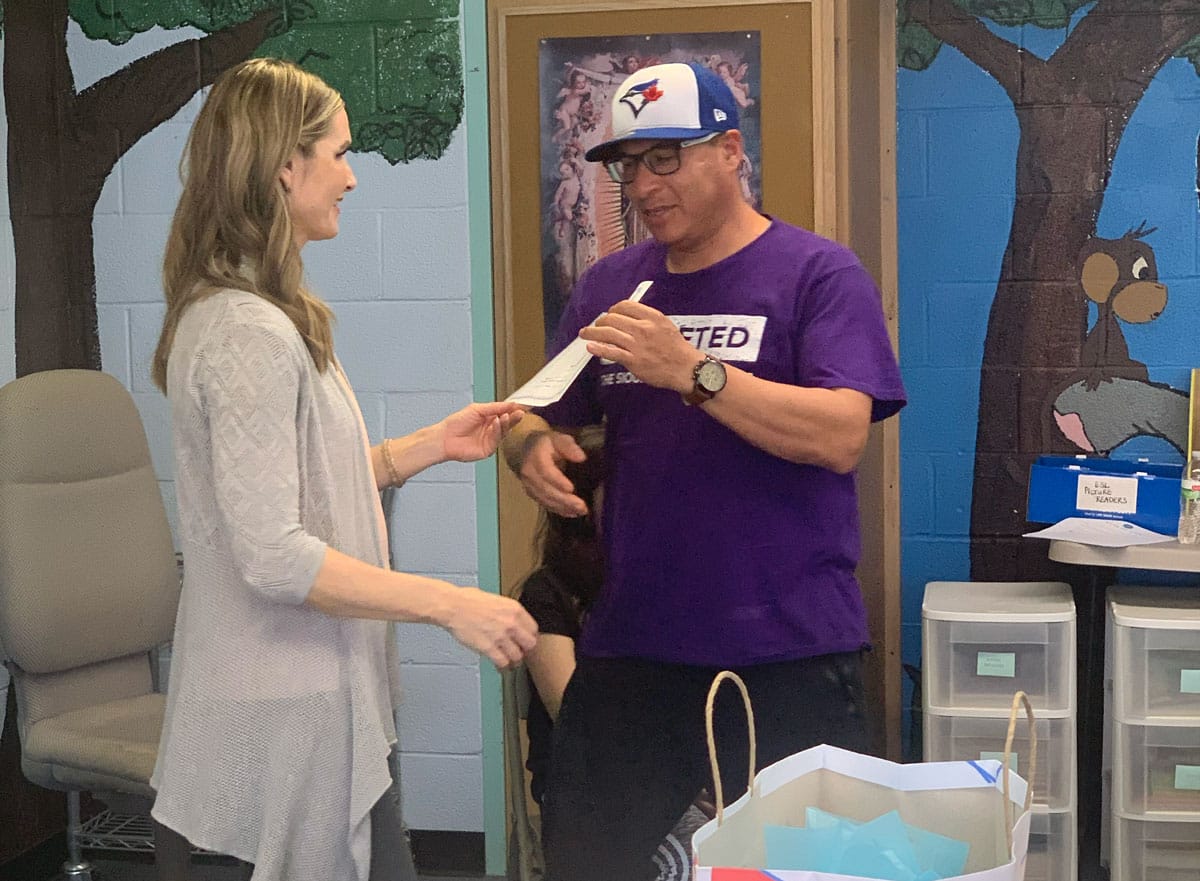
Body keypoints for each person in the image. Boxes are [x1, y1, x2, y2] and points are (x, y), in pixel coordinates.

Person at [501, 60, 907, 881]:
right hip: (635, 648)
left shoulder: (818, 275)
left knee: (809, 871)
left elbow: (840, 435)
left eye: (666, 158)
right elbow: (531, 410)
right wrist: (530, 448)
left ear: (730, 150)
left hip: (789, 650)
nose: (643, 186)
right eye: (627, 165)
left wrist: (693, 371)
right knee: (586, 863)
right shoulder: (611, 289)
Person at [148, 58, 537, 881]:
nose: (351, 178)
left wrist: (423, 446)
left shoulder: (252, 314)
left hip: (318, 713)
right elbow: (274, 550)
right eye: (339, 152)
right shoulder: (246, 330)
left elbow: (280, 486)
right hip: (269, 744)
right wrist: (450, 603)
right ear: (285, 164)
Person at [515, 427, 710, 881]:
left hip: (678, 781)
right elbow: (576, 716)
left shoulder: (672, 581)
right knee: (688, 866)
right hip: (592, 790)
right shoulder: (548, 593)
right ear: (584, 507)